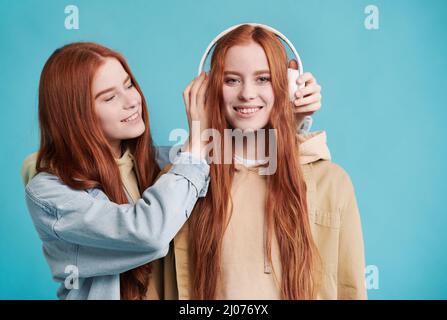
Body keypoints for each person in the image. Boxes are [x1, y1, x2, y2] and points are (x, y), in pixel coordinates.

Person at [160, 24, 366, 300]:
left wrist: (294, 123)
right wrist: (199, 136)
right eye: (232, 80)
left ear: (288, 85)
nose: (246, 93)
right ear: (208, 89)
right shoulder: (180, 183)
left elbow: (348, 287)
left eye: (263, 79)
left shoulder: (332, 182)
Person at [22, 42, 211, 300]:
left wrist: (285, 111)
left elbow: (236, 158)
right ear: (76, 116)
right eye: (110, 97)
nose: (132, 101)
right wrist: (194, 150)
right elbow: (148, 234)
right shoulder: (50, 194)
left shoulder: (155, 162)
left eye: (129, 84)